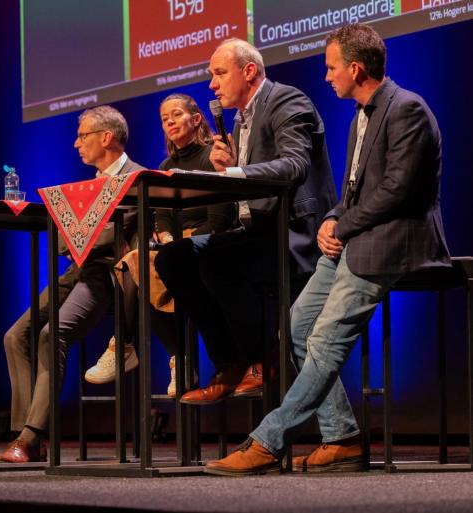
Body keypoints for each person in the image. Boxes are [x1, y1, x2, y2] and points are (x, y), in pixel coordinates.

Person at [206, 23, 450, 476]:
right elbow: (357, 189)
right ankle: (342, 439)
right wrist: (334, 218)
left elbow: (398, 191)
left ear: (355, 69)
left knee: (323, 339)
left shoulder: (407, 109)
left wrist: (345, 223)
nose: (326, 76)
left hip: (391, 243)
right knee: (296, 329)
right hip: (356, 239)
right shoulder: (361, 114)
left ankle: (268, 440)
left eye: (331, 67)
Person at [156, 39, 337, 404]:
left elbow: (294, 164)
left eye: (220, 73)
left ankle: (262, 358)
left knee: (216, 262)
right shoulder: (239, 121)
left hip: (295, 234)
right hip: (256, 231)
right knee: (171, 258)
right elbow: (246, 179)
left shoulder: (287, 101)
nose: (212, 84)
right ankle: (231, 362)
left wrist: (237, 171)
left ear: (249, 71)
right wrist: (228, 168)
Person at [0, 105, 146, 463]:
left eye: (83, 135)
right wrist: (81, 237)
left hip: (113, 273)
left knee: (52, 334)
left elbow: (114, 236)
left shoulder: (138, 178)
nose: (76, 143)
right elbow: (65, 240)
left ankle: (32, 436)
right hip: (79, 270)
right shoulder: (88, 185)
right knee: (15, 336)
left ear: (106, 137)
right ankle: (29, 432)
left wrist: (82, 237)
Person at [84, 93, 235, 397]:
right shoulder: (166, 164)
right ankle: (167, 356)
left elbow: (220, 218)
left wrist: (179, 243)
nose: (169, 122)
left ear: (196, 119)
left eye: (176, 115)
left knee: (144, 265)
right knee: (133, 265)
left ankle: (129, 348)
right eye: (164, 118)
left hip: (210, 242)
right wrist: (168, 240)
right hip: (175, 246)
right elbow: (162, 218)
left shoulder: (213, 157)